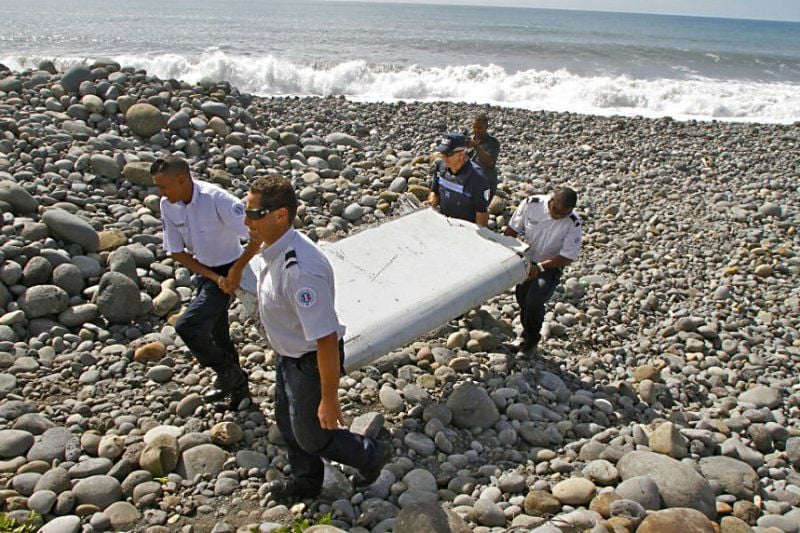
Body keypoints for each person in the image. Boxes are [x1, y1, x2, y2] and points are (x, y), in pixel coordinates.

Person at [242, 175, 390, 501]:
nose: (245, 220)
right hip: (289, 355)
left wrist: (330, 398)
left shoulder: (301, 271)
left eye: (253, 214)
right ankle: (307, 482)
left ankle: (371, 455)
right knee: (287, 419)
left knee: (312, 436)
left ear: (280, 215)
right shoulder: (275, 245)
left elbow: (324, 340)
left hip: (310, 360)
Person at [153, 157, 259, 410]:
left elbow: (257, 234)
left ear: (182, 179)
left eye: (163, 186)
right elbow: (177, 252)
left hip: (232, 266)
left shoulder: (216, 199)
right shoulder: (168, 205)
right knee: (217, 332)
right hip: (207, 272)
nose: (160, 193)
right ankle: (239, 392)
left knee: (187, 326)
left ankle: (228, 373)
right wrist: (214, 278)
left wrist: (236, 270)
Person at [504, 187, 582, 355]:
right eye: (555, 210)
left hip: (550, 266)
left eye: (563, 214)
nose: (558, 216)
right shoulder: (532, 204)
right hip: (527, 259)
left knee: (535, 299)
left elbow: (567, 256)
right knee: (522, 297)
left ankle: (531, 341)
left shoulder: (573, 223)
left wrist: (539, 267)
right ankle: (526, 333)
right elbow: (512, 231)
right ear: (552, 199)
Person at [427, 133, 490, 226]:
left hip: (466, 229)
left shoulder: (478, 178)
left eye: (448, 154)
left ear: (462, 154)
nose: (443, 158)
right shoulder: (440, 166)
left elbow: (481, 214)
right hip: (444, 223)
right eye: (442, 153)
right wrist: (431, 203)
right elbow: (435, 192)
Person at [467, 112, 501, 200]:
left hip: (486, 185)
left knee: (481, 209)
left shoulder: (492, 143)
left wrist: (476, 146)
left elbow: (490, 162)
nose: (476, 130)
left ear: (487, 127)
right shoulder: (468, 140)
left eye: (480, 128)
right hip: (469, 183)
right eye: (474, 127)